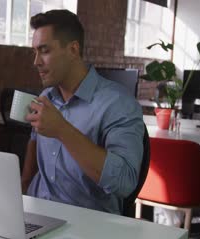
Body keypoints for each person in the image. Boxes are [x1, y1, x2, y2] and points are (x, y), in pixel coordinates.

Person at [22, 10, 144, 215]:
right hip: (37, 213)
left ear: (73, 50)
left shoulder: (118, 103)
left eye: (44, 51)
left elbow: (125, 182)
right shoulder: (46, 97)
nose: (36, 62)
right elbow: (33, 144)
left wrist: (62, 130)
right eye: (34, 52)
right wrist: (22, 190)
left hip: (89, 226)